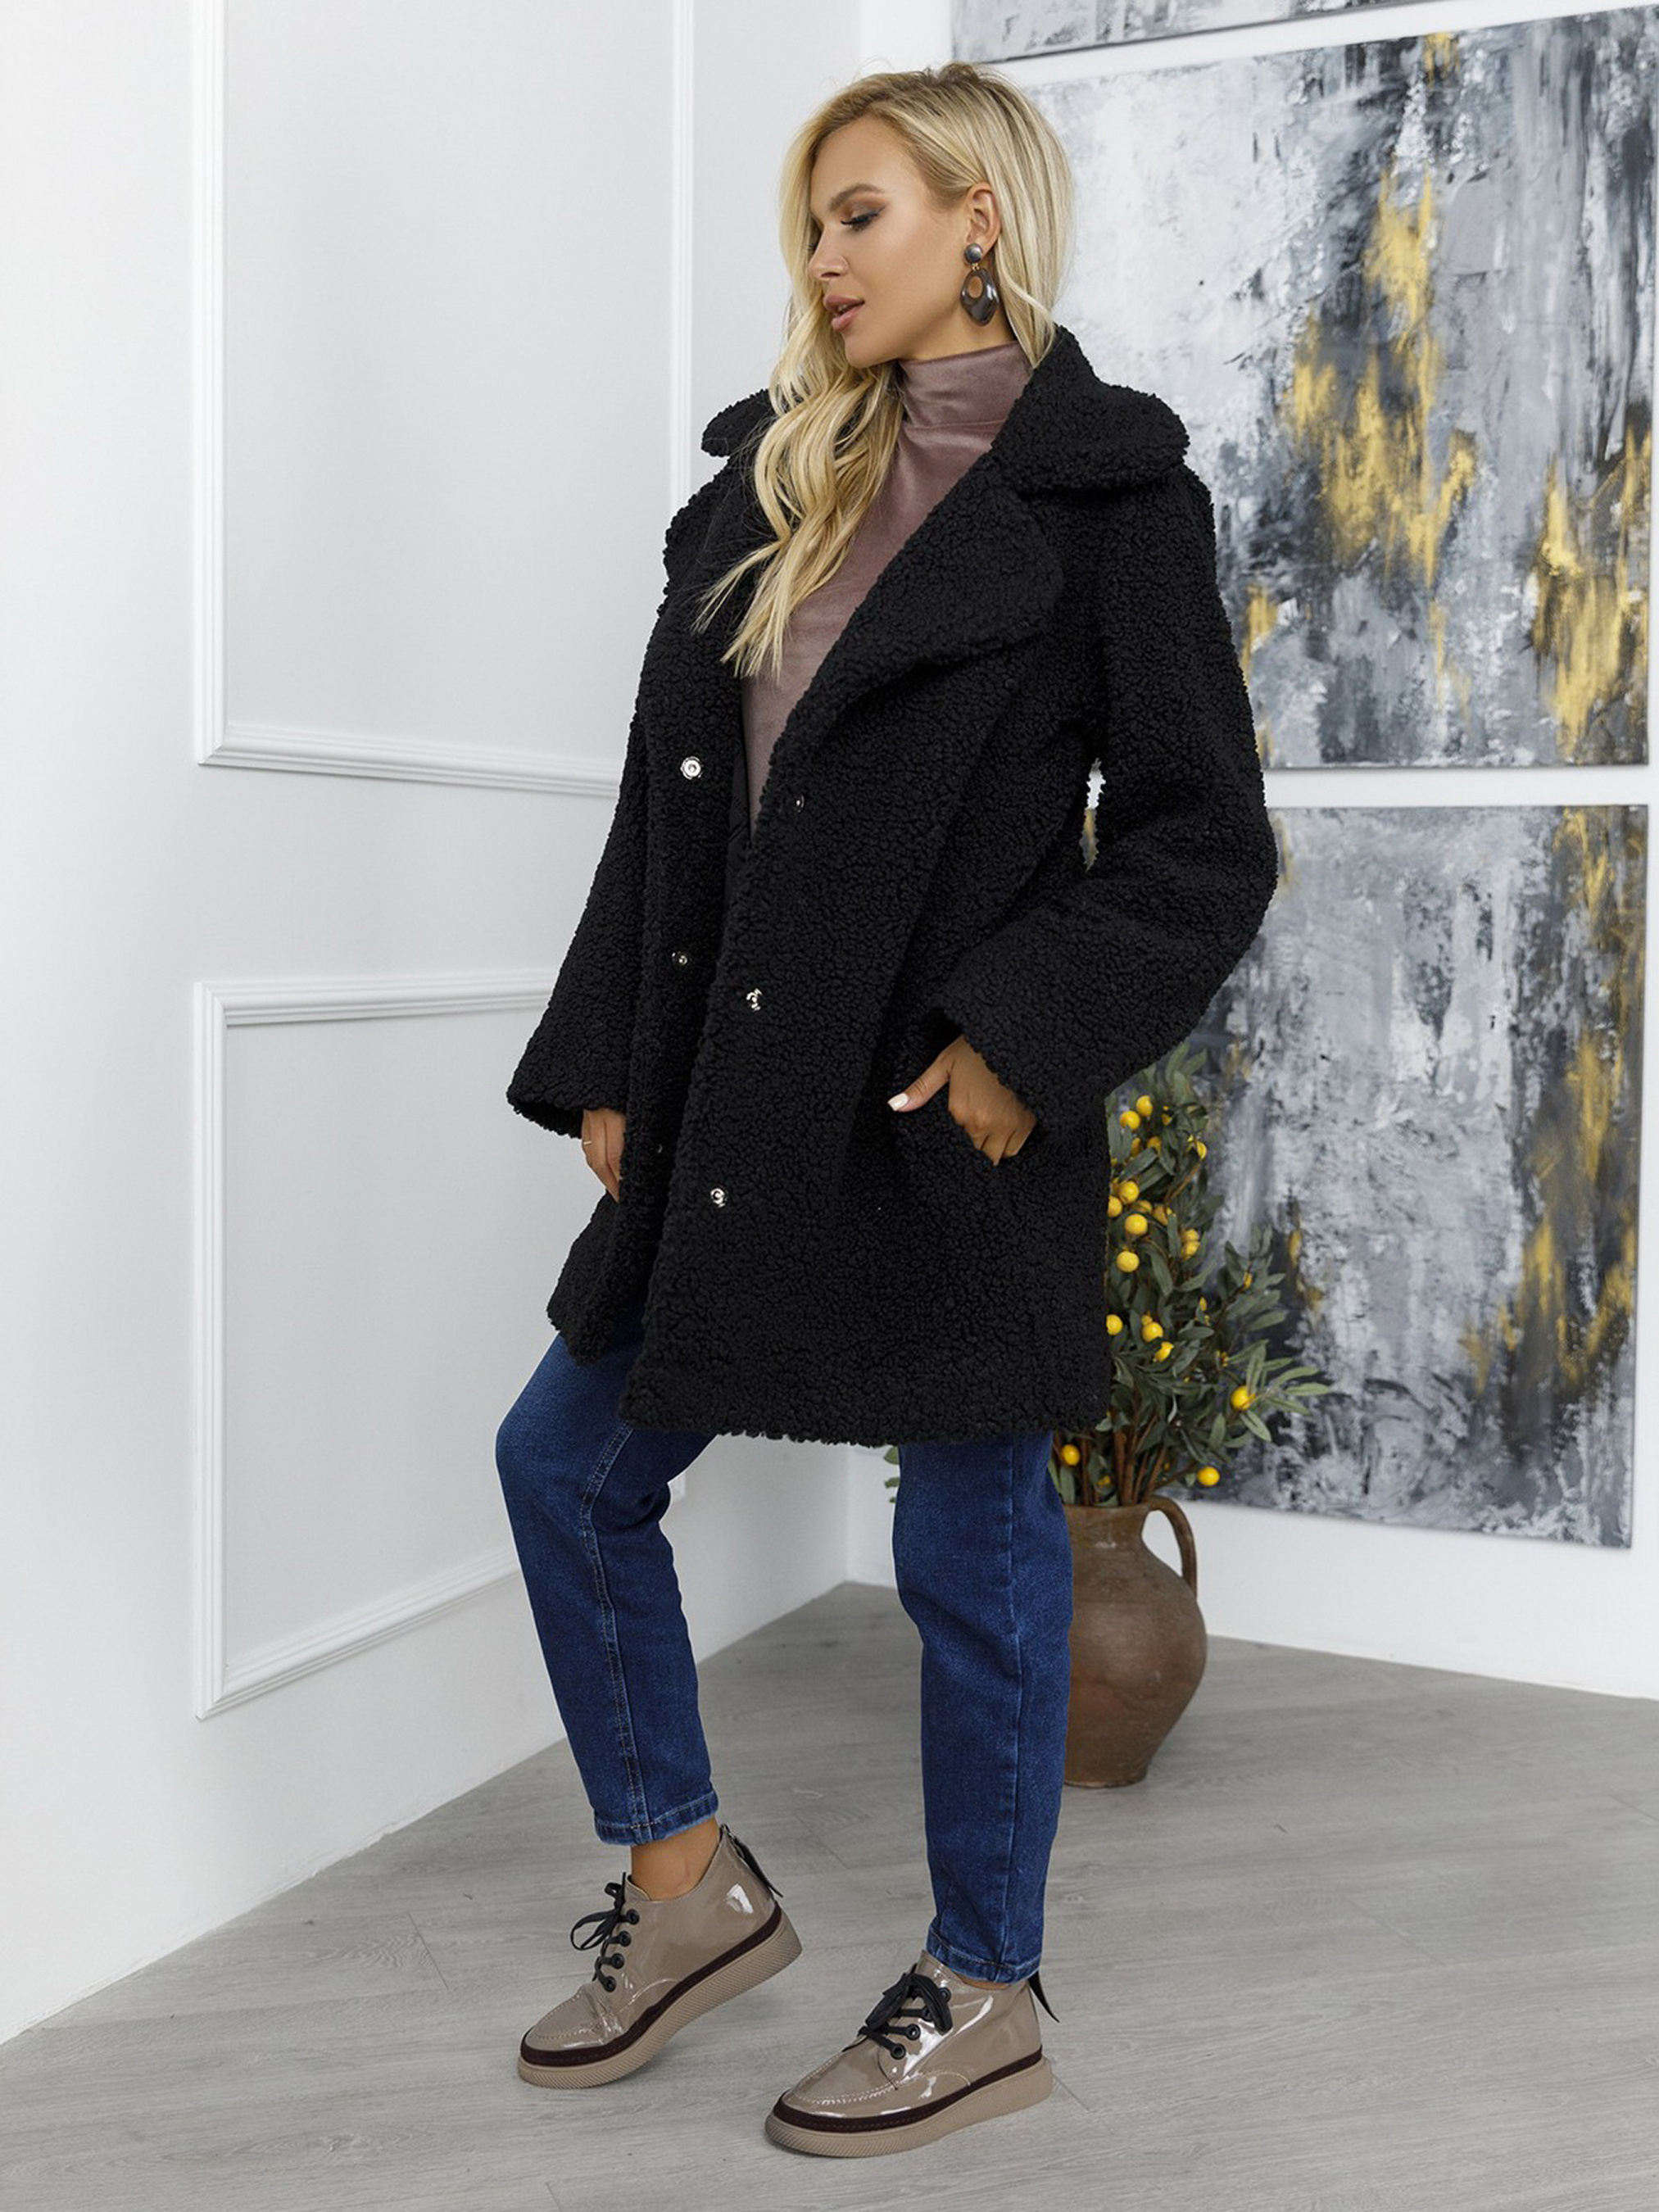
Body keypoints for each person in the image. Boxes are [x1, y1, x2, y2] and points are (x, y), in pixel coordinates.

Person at [493, 61, 1278, 2160]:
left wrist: (1020, 1044)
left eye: (859, 216)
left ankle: (983, 1984)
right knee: (564, 1465)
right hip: (731, 1095)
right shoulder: (760, 486)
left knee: (968, 1544)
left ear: (975, 219)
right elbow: (670, 812)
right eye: (811, 228)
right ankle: (684, 1887)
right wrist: (609, 1058)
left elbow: (1199, 839)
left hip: (942, 1102)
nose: (823, 261)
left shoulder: (1108, 498)